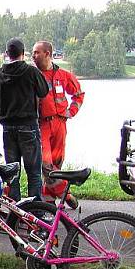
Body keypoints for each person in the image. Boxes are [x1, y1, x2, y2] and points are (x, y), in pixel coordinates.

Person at [32, 40, 85, 209]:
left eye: (36, 52)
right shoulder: (33, 75)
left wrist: (71, 112)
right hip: (42, 124)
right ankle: (65, 193)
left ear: (47, 54)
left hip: (60, 123)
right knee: (46, 163)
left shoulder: (63, 75)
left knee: (57, 161)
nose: (33, 56)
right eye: (33, 53)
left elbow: (78, 94)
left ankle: (48, 199)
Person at [0, 38, 50, 201]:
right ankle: (36, 215)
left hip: (8, 128)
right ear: (23, 53)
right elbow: (43, 91)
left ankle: (15, 214)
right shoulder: (31, 72)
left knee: (13, 174)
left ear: (7, 54)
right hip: (28, 126)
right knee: (34, 173)